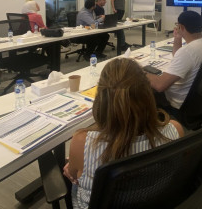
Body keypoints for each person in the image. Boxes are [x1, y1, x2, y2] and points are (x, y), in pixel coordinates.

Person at [63, 58, 184, 208]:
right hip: (154, 200)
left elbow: (73, 176)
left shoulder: (82, 141)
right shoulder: (175, 130)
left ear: (100, 99)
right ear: (148, 95)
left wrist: (75, 161)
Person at [145, 11, 202, 119]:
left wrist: (141, 72)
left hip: (177, 104)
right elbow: (177, 55)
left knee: (142, 88)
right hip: (197, 102)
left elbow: (160, 86)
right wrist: (177, 38)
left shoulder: (188, 51)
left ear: (181, 27)